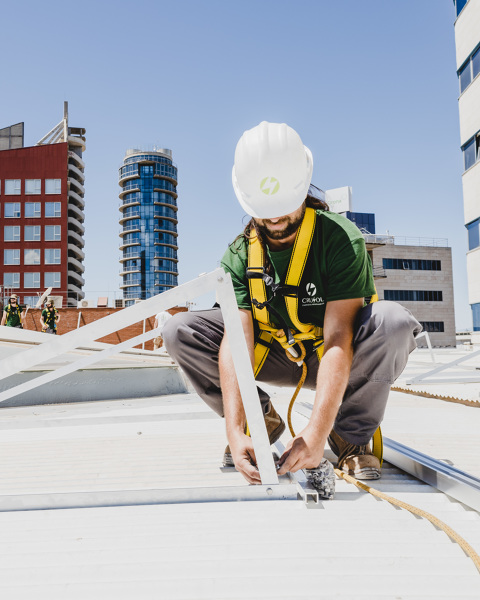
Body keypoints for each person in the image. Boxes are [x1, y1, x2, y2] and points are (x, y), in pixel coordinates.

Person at [162, 122, 421, 484]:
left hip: (336, 357)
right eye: (265, 209)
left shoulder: (339, 240)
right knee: (178, 330)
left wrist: (315, 434)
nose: (274, 218)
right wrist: (234, 429)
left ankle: (349, 435)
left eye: (283, 207)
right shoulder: (239, 256)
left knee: (392, 322)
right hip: (274, 354)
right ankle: (259, 423)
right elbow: (236, 342)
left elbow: (338, 339)